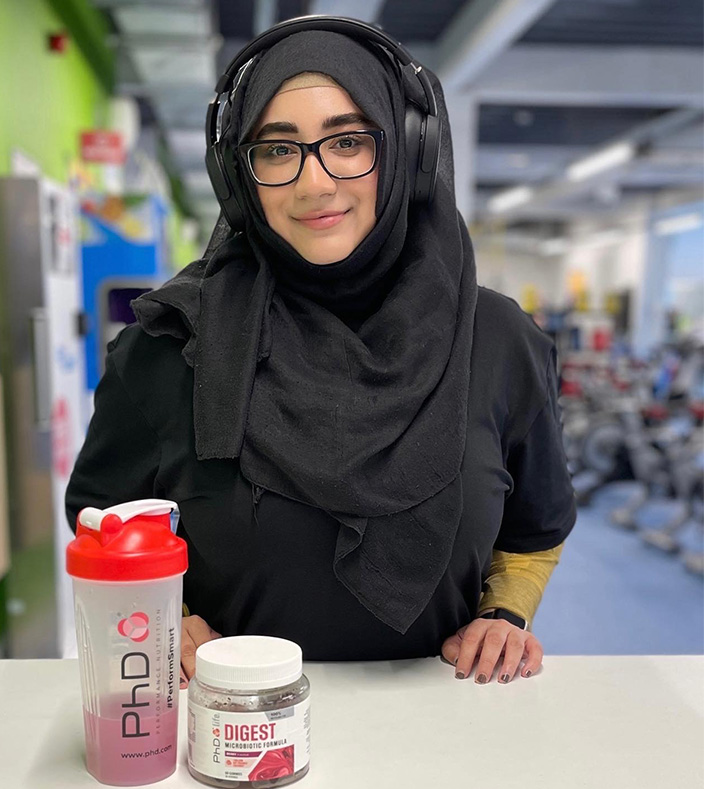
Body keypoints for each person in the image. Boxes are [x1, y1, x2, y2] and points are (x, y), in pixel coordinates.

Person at [66, 19, 576, 687]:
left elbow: (535, 523)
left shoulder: (498, 339)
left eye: (348, 141)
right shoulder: (170, 345)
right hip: (232, 733)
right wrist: (156, 611)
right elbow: (101, 521)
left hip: (447, 727)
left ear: (407, 150)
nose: (315, 183)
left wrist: (505, 616)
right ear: (238, 174)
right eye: (278, 151)